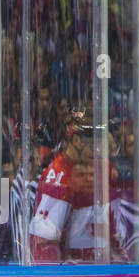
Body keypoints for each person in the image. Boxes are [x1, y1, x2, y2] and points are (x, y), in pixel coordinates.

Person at [28, 109, 118, 264]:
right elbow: (43, 245)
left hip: (101, 267)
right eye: (92, 143)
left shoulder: (102, 167)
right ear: (76, 141)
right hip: (76, 273)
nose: (98, 149)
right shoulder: (58, 177)